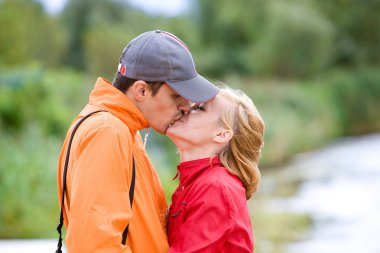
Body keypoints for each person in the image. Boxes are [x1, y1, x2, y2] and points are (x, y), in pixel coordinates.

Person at [56, 30, 219, 253]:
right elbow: (95, 246)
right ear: (141, 90)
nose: (186, 106)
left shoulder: (122, 128)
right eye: (176, 96)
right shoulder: (107, 132)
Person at [166, 86, 265, 253]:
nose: (186, 109)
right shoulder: (196, 183)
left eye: (200, 108)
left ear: (222, 135)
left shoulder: (217, 187)